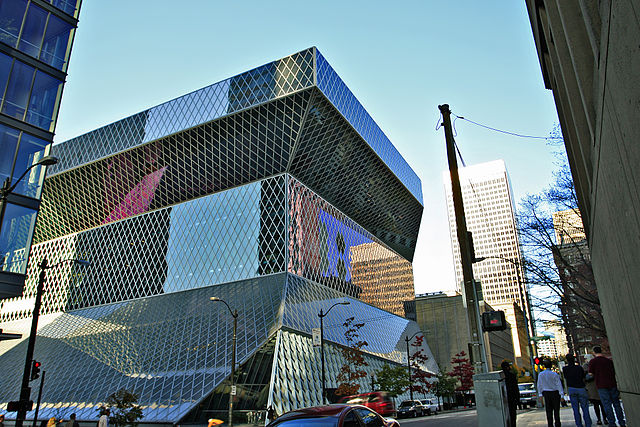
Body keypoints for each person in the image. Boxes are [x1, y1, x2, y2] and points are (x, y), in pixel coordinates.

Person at [588, 346, 625, 427]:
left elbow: (590, 374)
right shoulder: (609, 361)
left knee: (607, 405)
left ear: (594, 352)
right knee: (616, 404)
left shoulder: (593, 362)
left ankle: (612, 423)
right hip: (612, 384)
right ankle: (622, 422)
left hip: (601, 385)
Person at [562, 354, 591, 427]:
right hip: (581, 388)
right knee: (585, 408)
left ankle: (579, 424)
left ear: (567, 360)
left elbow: (565, 377)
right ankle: (588, 424)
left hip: (571, 388)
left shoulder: (565, 369)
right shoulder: (579, 368)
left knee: (575, 409)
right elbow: (583, 376)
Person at [537, 359, 564, 427]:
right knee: (556, 410)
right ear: (551, 366)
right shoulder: (554, 374)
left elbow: (539, 385)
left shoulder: (541, 374)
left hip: (546, 393)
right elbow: (559, 385)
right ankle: (557, 423)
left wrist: (540, 394)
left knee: (548, 410)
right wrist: (562, 395)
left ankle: (550, 424)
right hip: (555, 393)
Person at [502, 361, 520, 427]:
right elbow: (515, 389)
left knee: (505, 417)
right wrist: (518, 400)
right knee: (512, 417)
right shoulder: (512, 376)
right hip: (512, 400)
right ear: (507, 367)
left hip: (503, 401)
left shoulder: (501, 377)